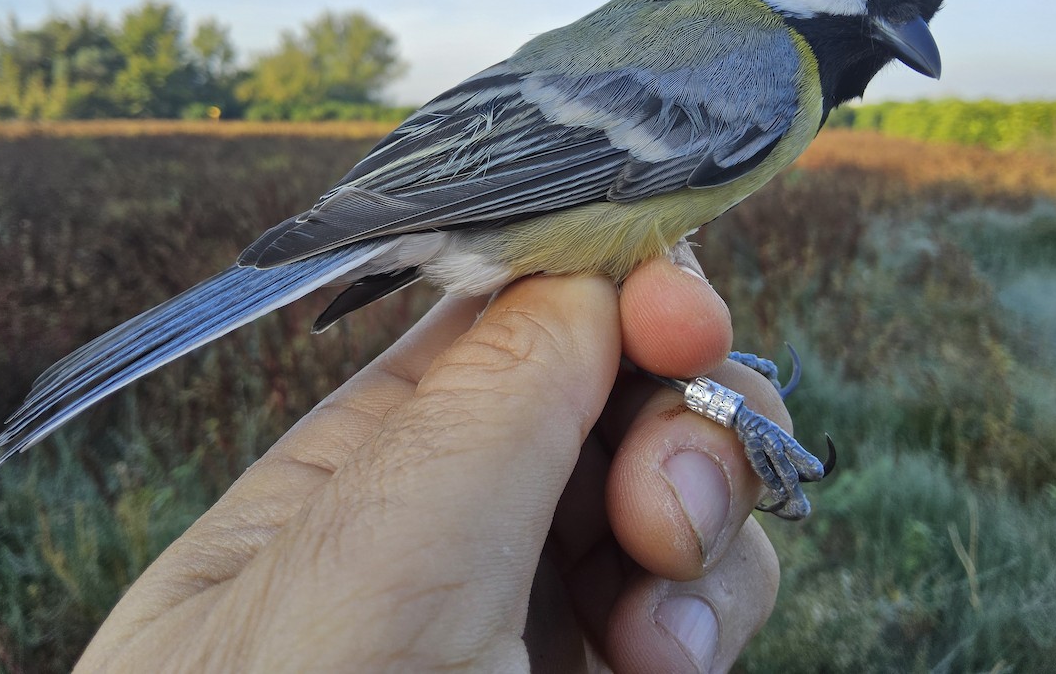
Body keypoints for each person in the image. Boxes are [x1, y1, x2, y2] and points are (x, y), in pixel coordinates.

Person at [76, 250, 788, 673]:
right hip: (513, 206)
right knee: (634, 319)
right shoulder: (770, 69)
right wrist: (724, 406)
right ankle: (718, 400)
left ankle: (715, 396)